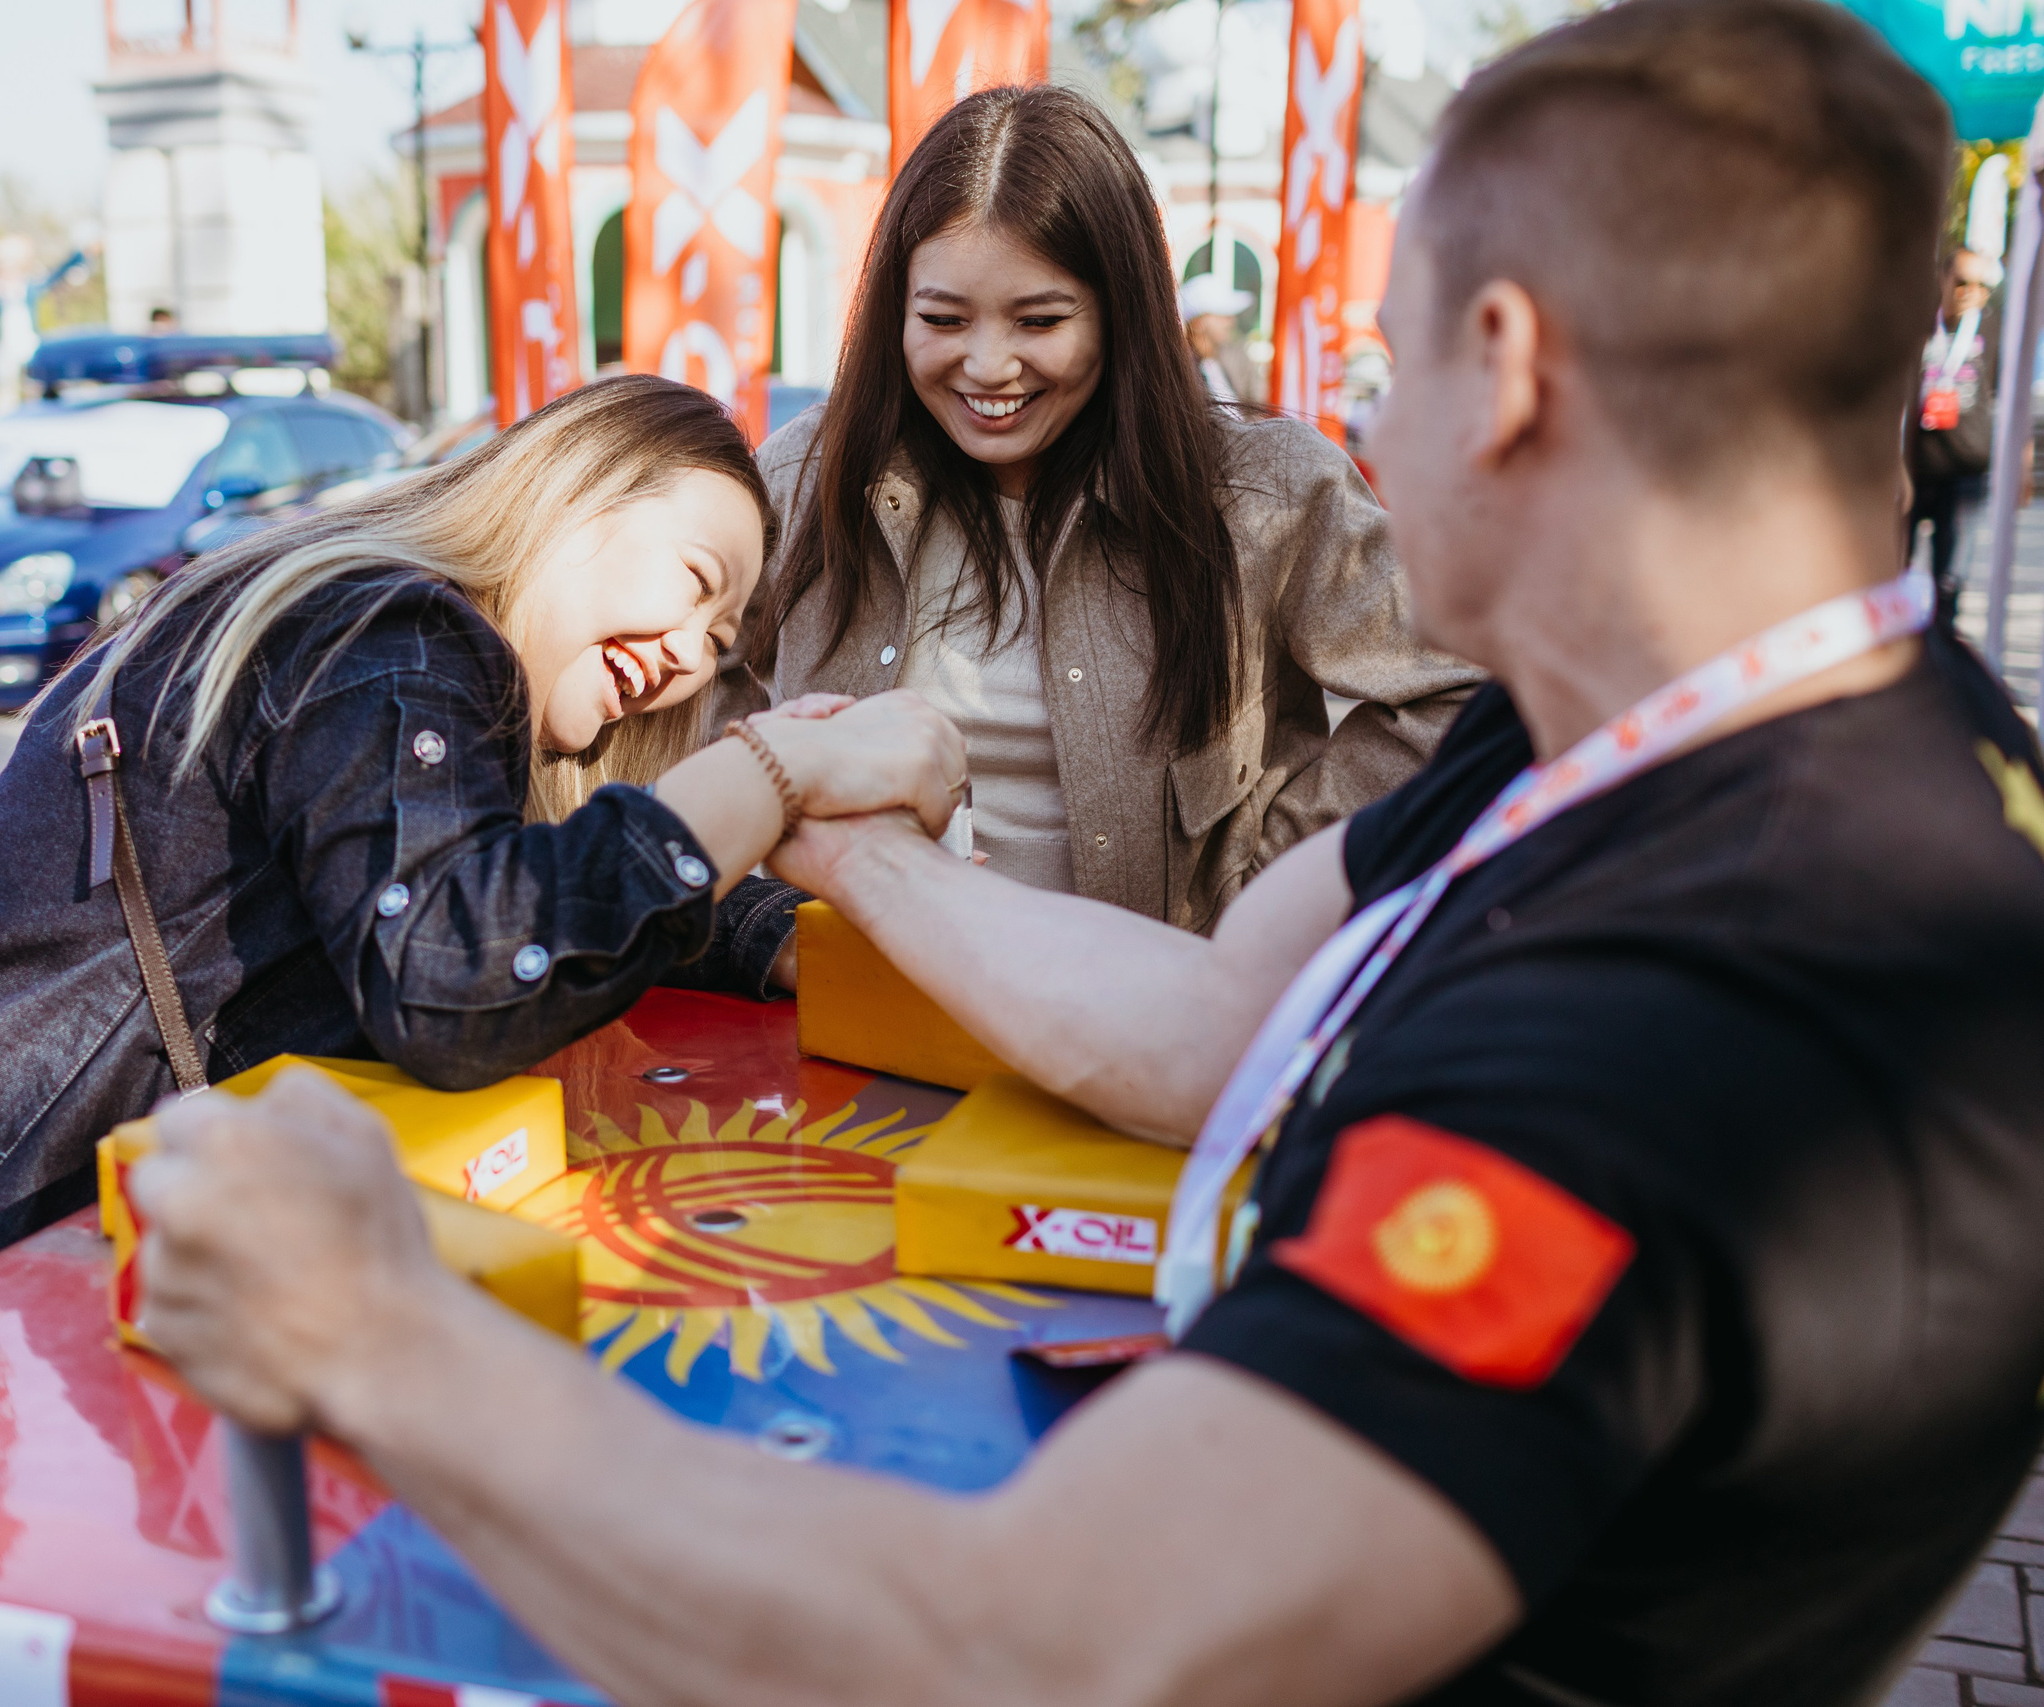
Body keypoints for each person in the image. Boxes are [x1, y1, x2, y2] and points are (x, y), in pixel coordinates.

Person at [129, 4, 2044, 1703]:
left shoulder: (1701, 991)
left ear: (1510, 364)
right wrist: (841, 831)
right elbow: (1224, 1018)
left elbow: (1030, 1646)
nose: (1365, 436)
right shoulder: (1720, 736)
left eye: (1386, 369)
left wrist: (375, 1331)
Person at [0, 375, 966, 1426]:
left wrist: (781, 934)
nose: (685, 658)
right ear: (575, 494)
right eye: (693, 585)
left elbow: (543, 892)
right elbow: (459, 973)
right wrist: (769, 770)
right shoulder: (390, 635)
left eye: (719, 649)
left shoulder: (423, 679)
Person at [700, 86, 1480, 998]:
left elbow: (1460, 686)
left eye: (1040, 321)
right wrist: (770, 898)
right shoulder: (810, 473)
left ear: (1119, 310)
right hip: (854, 1020)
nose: (989, 366)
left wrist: (1275, 889)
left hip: (1159, 1025)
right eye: (944, 320)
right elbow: (693, 681)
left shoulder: (1262, 492)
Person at [1906, 246, 2002, 628]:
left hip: (1965, 469)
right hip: (1916, 465)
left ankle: (1943, 641)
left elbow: (2010, 396)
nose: (1970, 293)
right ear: (1943, 279)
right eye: (1962, 282)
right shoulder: (1918, 325)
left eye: (1981, 286)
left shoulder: (1994, 328)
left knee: (1949, 579)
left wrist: (2022, 460)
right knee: (1895, 569)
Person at [1179, 270, 1261, 409]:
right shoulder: (1184, 372)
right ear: (1198, 322)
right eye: (1223, 314)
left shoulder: (1220, 361)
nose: (1232, 322)